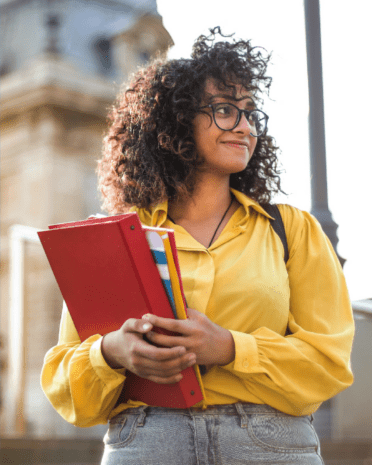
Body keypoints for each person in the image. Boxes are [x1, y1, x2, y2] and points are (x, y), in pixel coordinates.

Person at [41, 27, 354, 465]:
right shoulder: (113, 238)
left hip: (271, 444)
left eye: (250, 113)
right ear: (176, 121)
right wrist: (112, 352)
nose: (244, 127)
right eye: (225, 110)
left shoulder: (291, 230)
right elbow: (67, 386)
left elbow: (330, 362)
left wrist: (228, 347)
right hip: (148, 441)